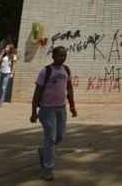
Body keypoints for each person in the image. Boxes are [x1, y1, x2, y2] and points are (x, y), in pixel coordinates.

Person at [30, 46, 77, 182]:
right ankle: (47, 170)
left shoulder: (66, 70)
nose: (62, 58)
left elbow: (69, 89)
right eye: (60, 55)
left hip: (61, 109)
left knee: (60, 136)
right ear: (53, 56)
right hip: (47, 109)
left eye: (64, 55)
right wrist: (34, 112)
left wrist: (72, 106)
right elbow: (37, 93)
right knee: (50, 137)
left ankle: (45, 152)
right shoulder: (46, 71)